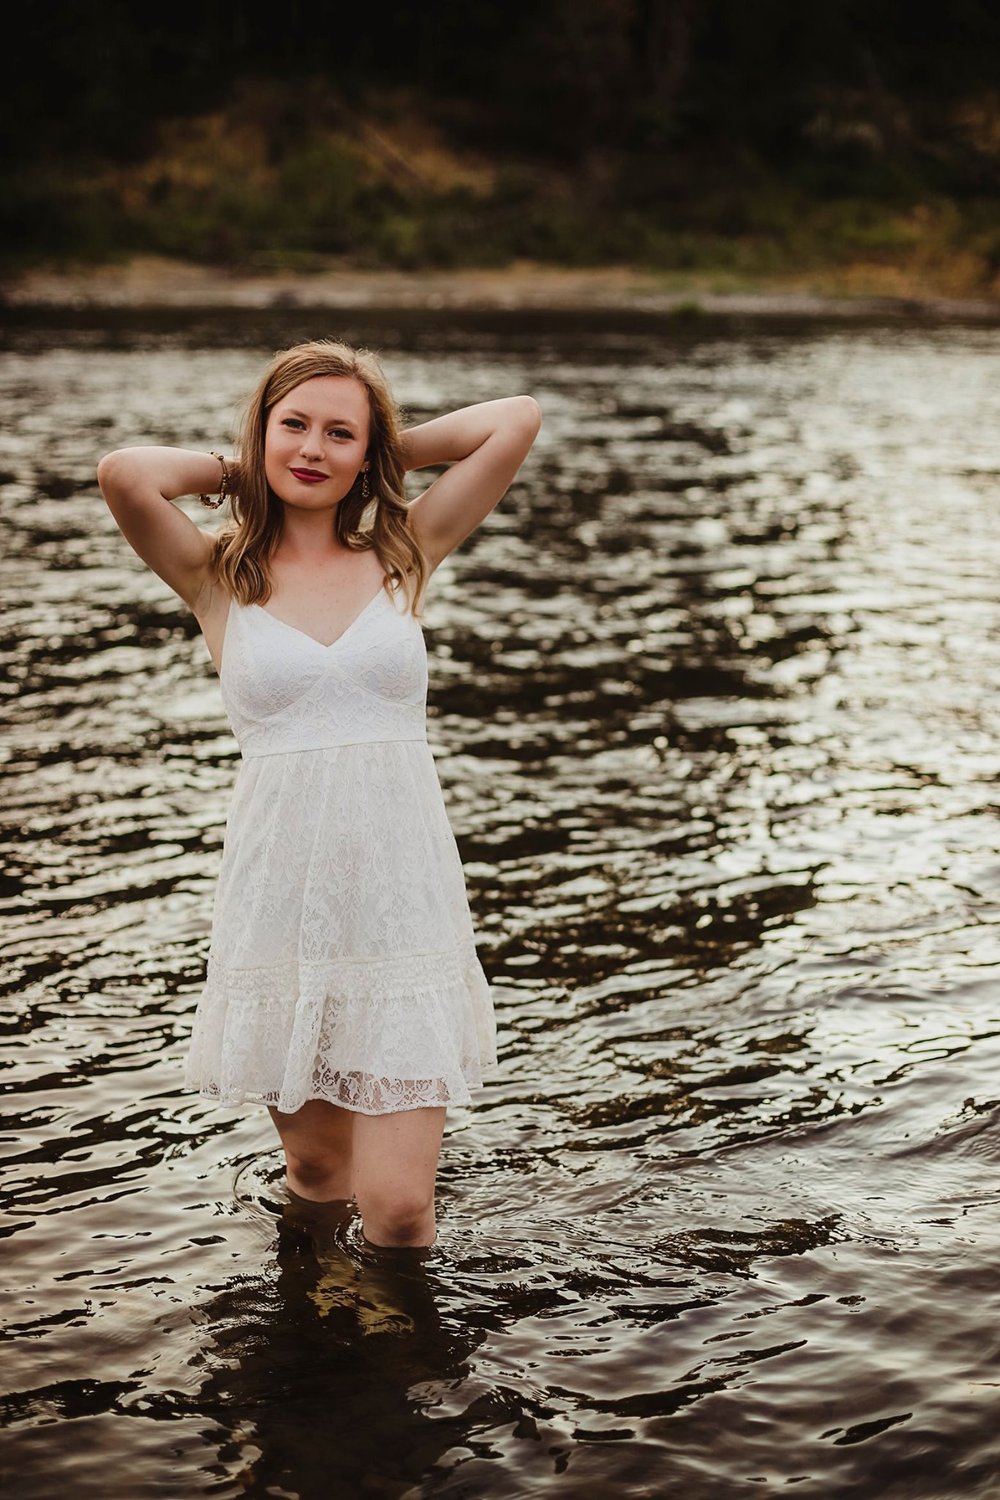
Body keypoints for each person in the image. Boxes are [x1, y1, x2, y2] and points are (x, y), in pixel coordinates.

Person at [97, 338, 541, 1251]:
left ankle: (396, 1370)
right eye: (293, 426)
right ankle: (318, 1335)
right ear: (260, 432)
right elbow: (126, 474)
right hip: (281, 906)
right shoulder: (218, 577)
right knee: (315, 1173)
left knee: (400, 1205)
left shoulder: (407, 549)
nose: (313, 448)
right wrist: (248, 465)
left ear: (366, 451)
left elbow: (514, 421)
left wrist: (380, 456)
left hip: (401, 905)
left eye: (340, 433)